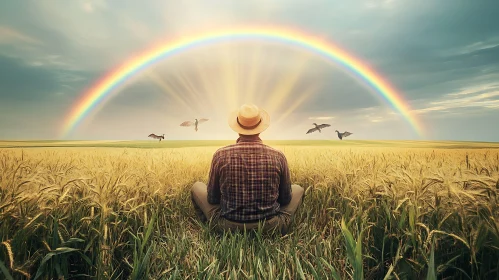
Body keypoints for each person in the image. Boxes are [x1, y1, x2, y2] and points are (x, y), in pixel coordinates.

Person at [190, 103, 304, 235]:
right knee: (298, 189)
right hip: (270, 227)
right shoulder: (278, 156)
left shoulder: (220, 155)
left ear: (237, 128)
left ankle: (210, 226)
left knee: (197, 187)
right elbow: (285, 199)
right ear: (261, 128)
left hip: (227, 227)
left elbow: (212, 199)